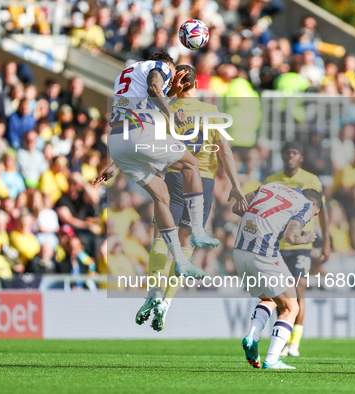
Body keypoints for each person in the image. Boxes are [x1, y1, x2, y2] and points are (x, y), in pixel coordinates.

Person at [136, 64, 247, 332]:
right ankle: (167, 303)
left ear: (178, 82)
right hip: (204, 182)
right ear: (196, 83)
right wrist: (236, 186)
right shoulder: (212, 113)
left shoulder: (167, 110)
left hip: (174, 177)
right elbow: (226, 154)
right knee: (186, 244)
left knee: (161, 236)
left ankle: (153, 291)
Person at [95, 51, 219, 280]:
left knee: (162, 196)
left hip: (119, 142)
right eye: (171, 77)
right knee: (191, 164)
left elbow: (149, 101)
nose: (170, 82)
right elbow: (154, 88)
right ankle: (198, 231)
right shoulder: (158, 67)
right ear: (168, 65)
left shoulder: (126, 75)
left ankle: (180, 262)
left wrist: (113, 165)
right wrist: (171, 113)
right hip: (139, 135)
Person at [233, 183, 323, 370]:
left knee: (269, 298)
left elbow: (237, 208)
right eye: (313, 216)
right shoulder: (305, 204)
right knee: (292, 307)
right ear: (314, 206)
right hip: (263, 254)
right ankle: (272, 359)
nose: (310, 217)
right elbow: (291, 236)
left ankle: (252, 336)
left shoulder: (269, 186)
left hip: (239, 251)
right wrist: (305, 237)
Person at [264, 141, 330, 358]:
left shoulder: (311, 180)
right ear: (282, 156)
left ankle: (295, 343)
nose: (290, 156)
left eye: (295, 152)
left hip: (301, 244)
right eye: (287, 152)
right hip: (277, 244)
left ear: (301, 158)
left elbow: (323, 210)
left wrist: (326, 240)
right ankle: (283, 339)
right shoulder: (272, 180)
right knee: (280, 295)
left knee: (299, 288)